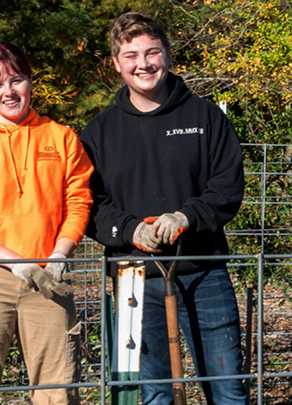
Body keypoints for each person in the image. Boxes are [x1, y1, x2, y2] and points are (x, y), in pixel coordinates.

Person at [79, 12, 247, 404]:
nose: (143, 64)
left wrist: (186, 217)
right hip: (133, 276)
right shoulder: (99, 132)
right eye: (131, 55)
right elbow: (90, 203)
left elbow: (226, 186)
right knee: (154, 394)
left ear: (168, 55)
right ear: (116, 63)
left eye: (152, 52)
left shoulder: (206, 118)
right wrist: (130, 229)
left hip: (203, 271)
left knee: (227, 389)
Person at [0, 42, 93, 405]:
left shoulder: (62, 138)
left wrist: (59, 253)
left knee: (57, 392)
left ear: (30, 83)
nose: (8, 92)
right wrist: (14, 261)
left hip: (49, 276)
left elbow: (79, 202)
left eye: (17, 80)